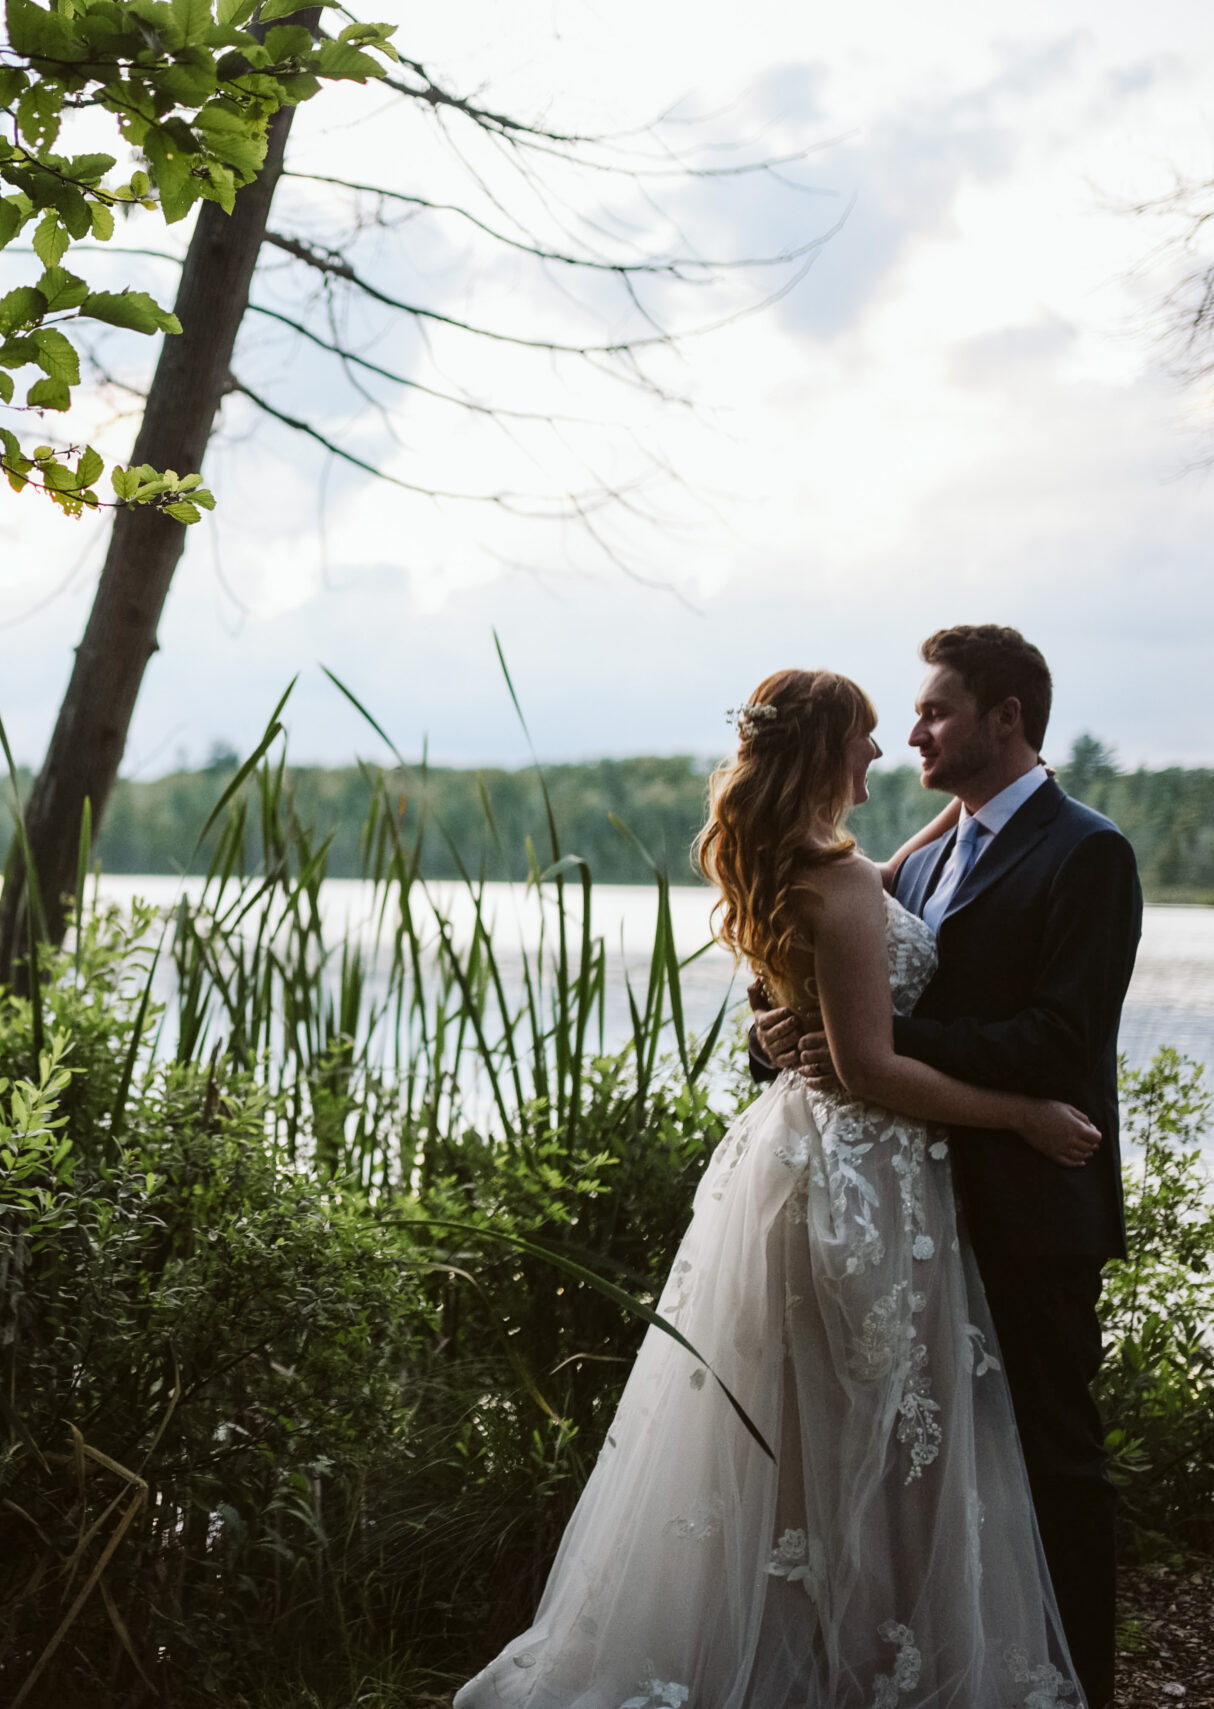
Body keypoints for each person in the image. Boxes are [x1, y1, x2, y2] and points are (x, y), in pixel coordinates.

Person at [457, 663, 1094, 1709]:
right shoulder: (835, 884)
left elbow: (866, 901)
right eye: (866, 736)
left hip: (796, 1159)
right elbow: (874, 1065)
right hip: (865, 1168)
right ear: (825, 751)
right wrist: (1023, 1113)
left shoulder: (791, 866)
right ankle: (857, 1661)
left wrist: (956, 819)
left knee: (805, 1428)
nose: (882, 753)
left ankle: (812, 1650)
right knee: (869, 1425)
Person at [752, 626, 1141, 1707]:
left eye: (933, 711)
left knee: (1053, 1457)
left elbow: (1058, 1038)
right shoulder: (917, 855)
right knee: (933, 1475)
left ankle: (1081, 1687)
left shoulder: (1086, 850)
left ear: (1005, 718)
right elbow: (819, 987)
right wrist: (779, 1036)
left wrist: (869, 1052)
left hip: (1030, 1203)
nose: (911, 730)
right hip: (910, 1217)